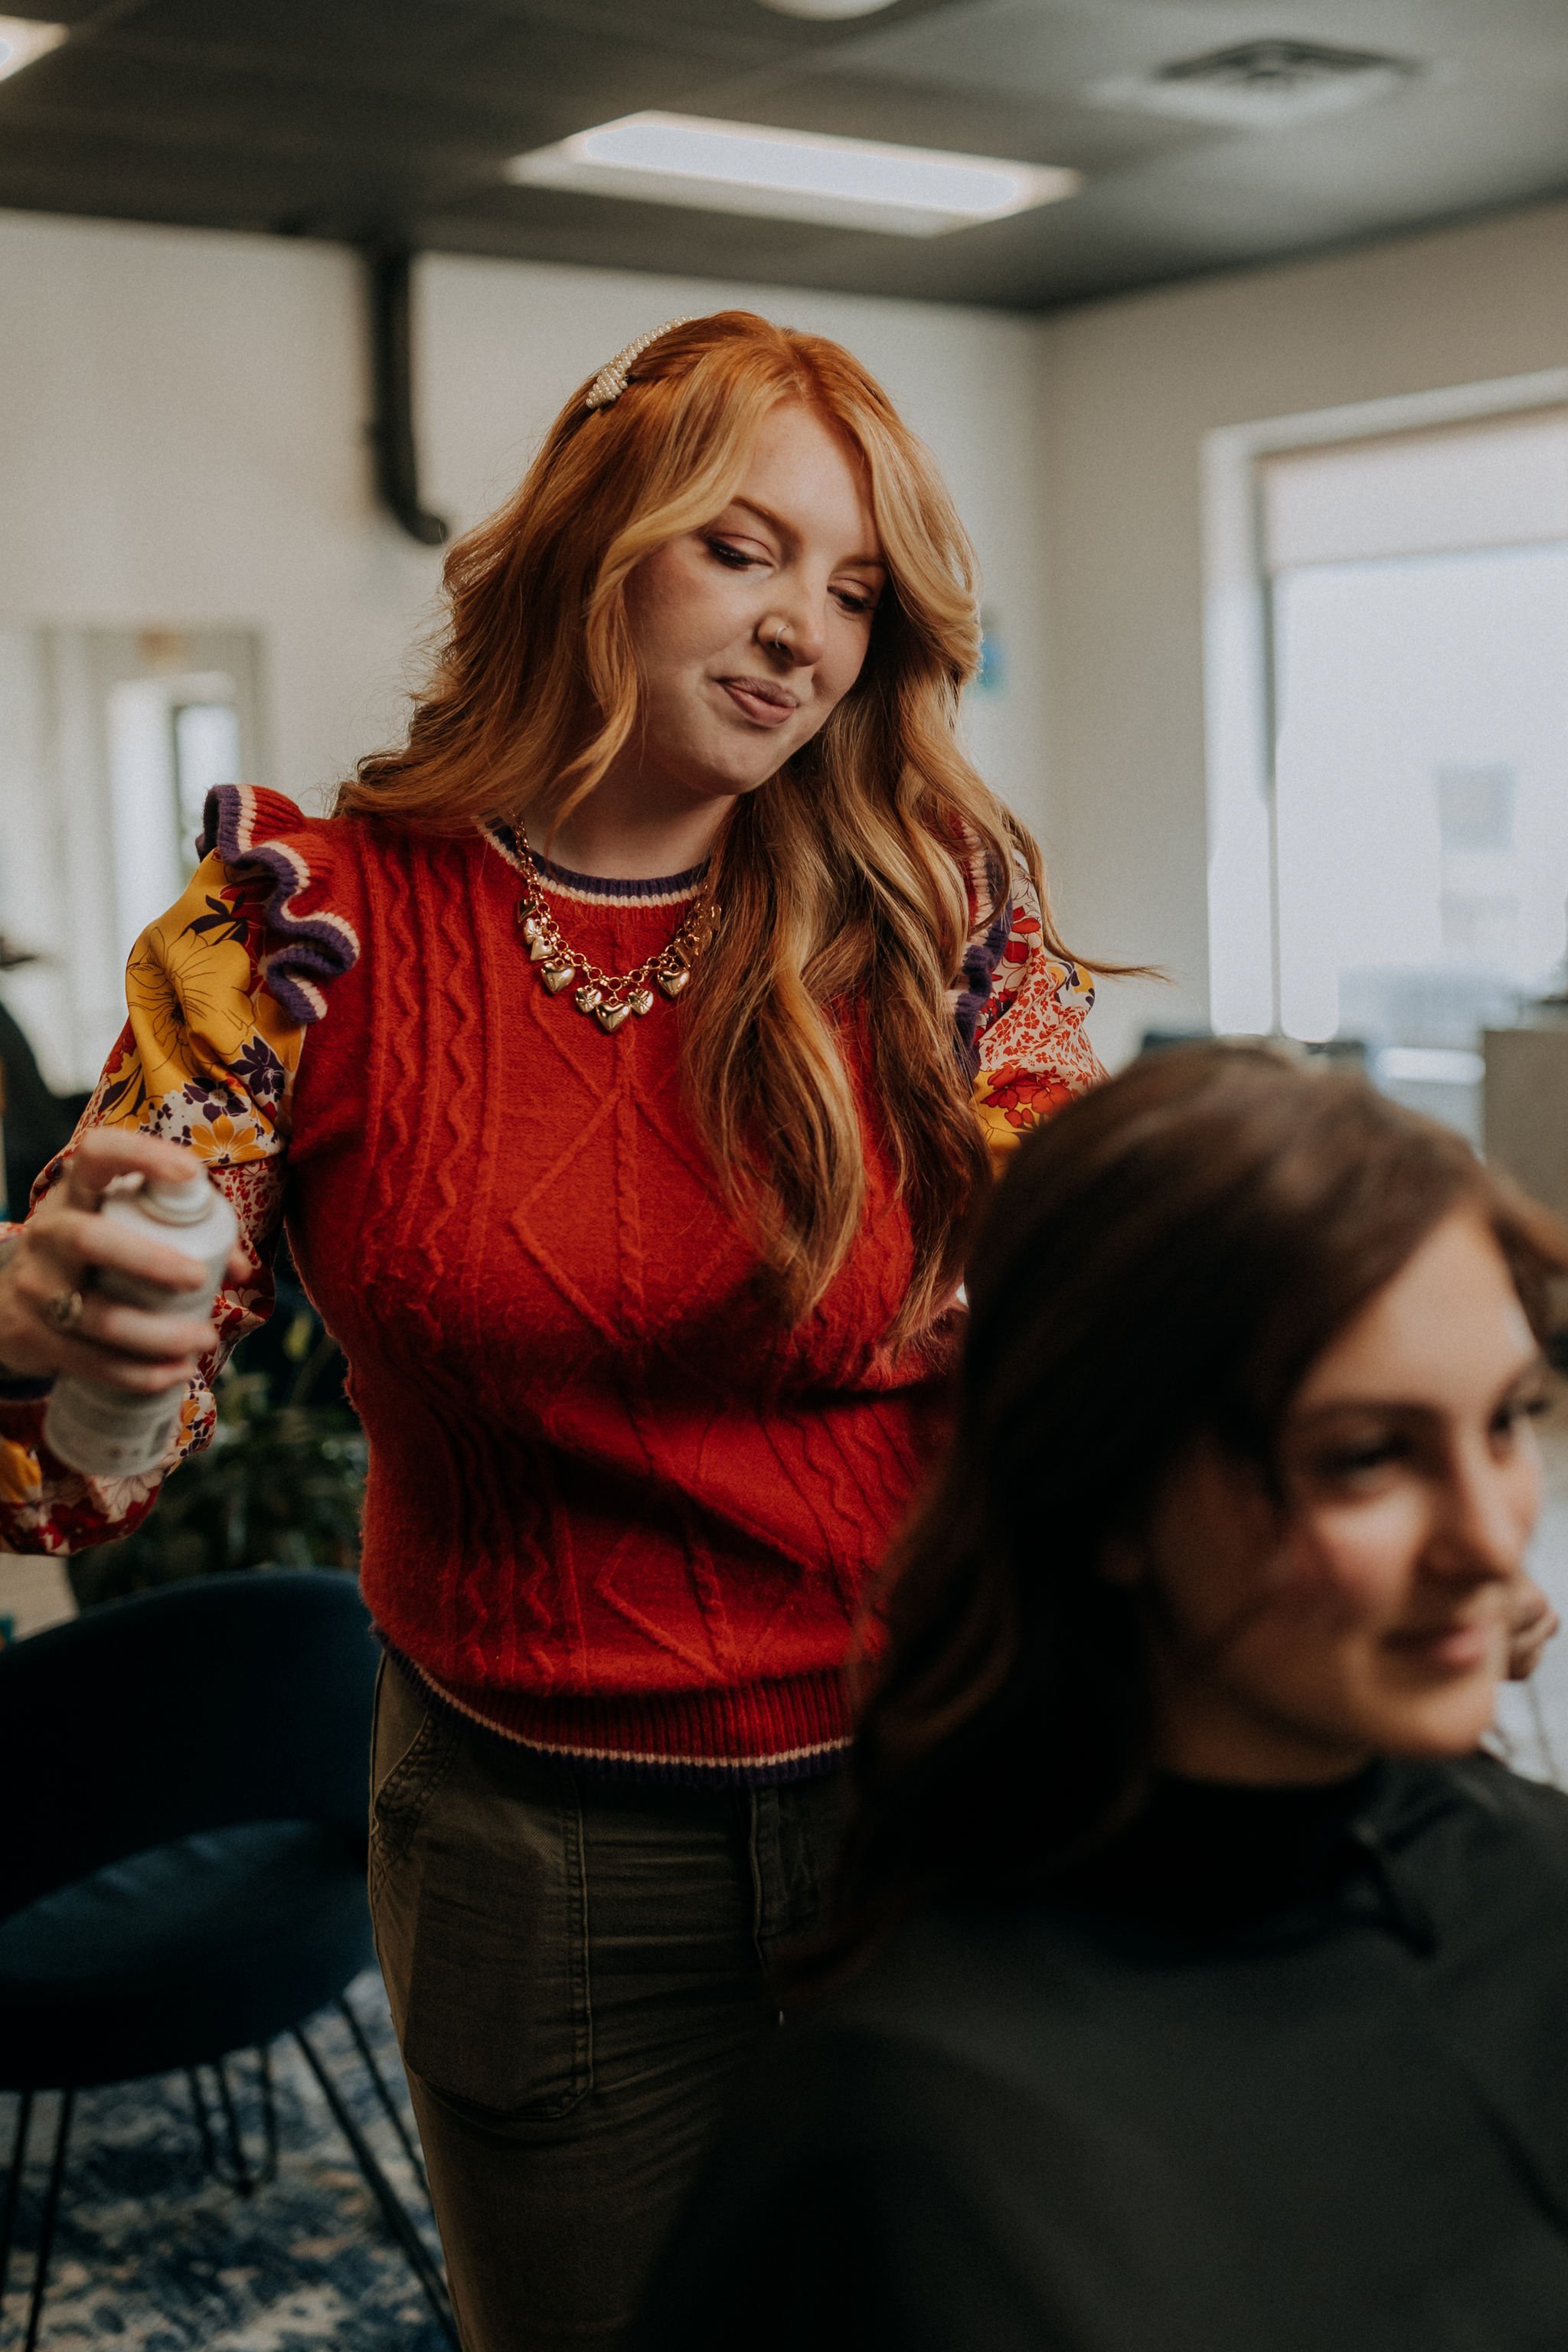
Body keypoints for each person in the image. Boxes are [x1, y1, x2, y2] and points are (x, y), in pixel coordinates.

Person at [0, 312, 1106, 2348]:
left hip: (934, 1795)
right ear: (600, 536)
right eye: (747, 549)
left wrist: (1308, 1439)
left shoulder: (940, 925)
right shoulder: (289, 936)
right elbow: (69, 1478)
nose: (805, 637)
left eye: (857, 592)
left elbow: (1104, 1316)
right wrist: (80, 1339)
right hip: (540, 1848)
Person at [634, 1041, 1568, 2352]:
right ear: (1112, 1490)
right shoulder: (916, 2139)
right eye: (1367, 1457)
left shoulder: (1531, 1871)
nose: (1490, 1541)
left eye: (1510, 1420)